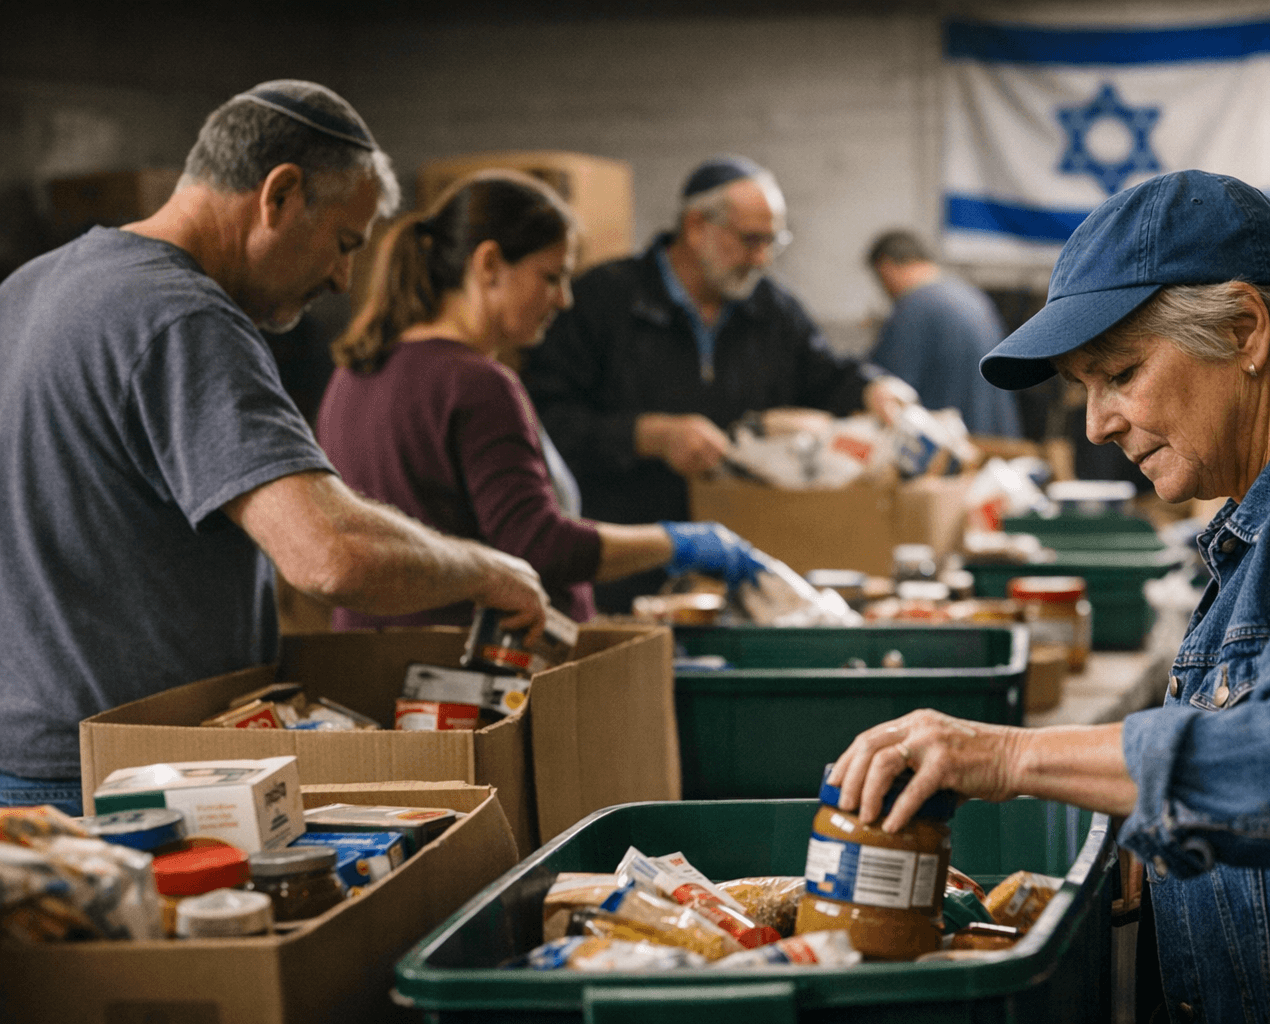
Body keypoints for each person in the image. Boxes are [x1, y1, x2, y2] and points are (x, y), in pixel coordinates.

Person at [830, 170, 1270, 1022]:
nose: (1096, 424)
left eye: (1120, 373)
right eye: (1084, 387)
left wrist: (1012, 757)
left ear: (1246, 330)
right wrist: (1172, 839)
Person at [0, 82, 549, 816]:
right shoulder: (183, 317)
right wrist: (490, 572)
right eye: (345, 243)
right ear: (279, 195)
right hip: (124, 786)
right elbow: (329, 554)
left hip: (24, 769)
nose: (342, 278)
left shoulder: (28, 290)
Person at [315, 170, 766, 626]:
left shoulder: (354, 373)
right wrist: (678, 543)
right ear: (489, 264)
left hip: (375, 659)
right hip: (469, 673)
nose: (564, 300)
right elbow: (538, 545)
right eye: (551, 277)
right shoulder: (477, 384)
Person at [522, 155, 913, 611]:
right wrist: (646, 436)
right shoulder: (603, 301)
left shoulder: (772, 308)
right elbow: (545, 421)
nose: (762, 258)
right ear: (696, 226)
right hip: (627, 571)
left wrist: (873, 387)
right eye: (749, 240)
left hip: (741, 568)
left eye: (772, 241)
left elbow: (825, 373)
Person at [865, 229, 1020, 437]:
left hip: (951, 446)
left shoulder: (913, 308)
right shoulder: (973, 297)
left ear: (887, 268)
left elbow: (887, 385)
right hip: (994, 438)